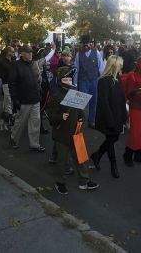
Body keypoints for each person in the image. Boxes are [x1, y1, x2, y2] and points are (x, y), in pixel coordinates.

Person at [47, 66, 99, 195]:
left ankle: (84, 181)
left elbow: (80, 110)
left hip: (76, 132)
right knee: (62, 161)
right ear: (60, 80)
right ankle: (60, 182)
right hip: (62, 134)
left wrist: (81, 117)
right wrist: (60, 117)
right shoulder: (56, 96)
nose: (69, 82)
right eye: (66, 79)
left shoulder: (75, 93)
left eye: (70, 79)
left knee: (81, 158)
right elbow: (50, 116)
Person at [91, 55, 127, 178]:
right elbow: (103, 102)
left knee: (114, 138)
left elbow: (122, 99)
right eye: (120, 64)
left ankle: (97, 155)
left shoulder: (118, 79)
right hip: (108, 116)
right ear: (114, 65)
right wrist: (110, 120)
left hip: (117, 114)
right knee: (111, 140)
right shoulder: (104, 81)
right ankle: (113, 165)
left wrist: (124, 116)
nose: (122, 66)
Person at [9, 45, 45, 152]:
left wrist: (39, 91)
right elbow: (12, 83)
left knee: (35, 123)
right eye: (28, 52)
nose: (30, 54)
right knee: (20, 123)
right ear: (22, 54)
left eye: (31, 53)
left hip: (35, 98)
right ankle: (13, 139)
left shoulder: (34, 64)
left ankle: (34, 144)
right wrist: (15, 99)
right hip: (23, 99)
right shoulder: (16, 65)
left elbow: (38, 79)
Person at [74, 39, 105, 128]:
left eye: (87, 44)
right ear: (82, 45)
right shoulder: (78, 54)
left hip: (94, 80)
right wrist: (75, 83)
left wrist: (102, 80)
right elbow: (76, 69)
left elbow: (101, 67)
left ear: (90, 44)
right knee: (81, 101)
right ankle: (80, 119)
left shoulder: (97, 53)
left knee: (93, 101)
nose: (86, 46)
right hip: (83, 80)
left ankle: (91, 120)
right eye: (84, 45)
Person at [0, 46, 15, 131]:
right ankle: (10, 123)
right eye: (12, 51)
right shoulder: (2, 61)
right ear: (8, 52)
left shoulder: (13, 60)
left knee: (6, 103)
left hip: (13, 84)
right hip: (6, 84)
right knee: (8, 104)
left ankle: (3, 120)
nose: (13, 53)